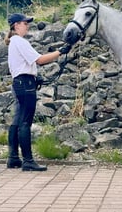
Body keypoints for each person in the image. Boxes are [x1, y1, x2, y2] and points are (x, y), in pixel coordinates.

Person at [5, 13, 72, 171]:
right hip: (26, 84)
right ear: (16, 25)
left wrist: (35, 75)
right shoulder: (20, 42)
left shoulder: (13, 42)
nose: (27, 25)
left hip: (20, 83)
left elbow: (26, 64)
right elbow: (40, 60)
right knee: (25, 122)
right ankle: (28, 161)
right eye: (25, 23)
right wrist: (60, 52)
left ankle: (13, 158)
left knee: (17, 120)